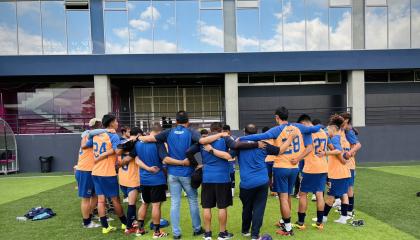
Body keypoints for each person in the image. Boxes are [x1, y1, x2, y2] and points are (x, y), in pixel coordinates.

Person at [240, 107, 322, 236]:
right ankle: (285, 222)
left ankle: (288, 229)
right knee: (287, 196)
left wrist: (242, 138)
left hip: (281, 167)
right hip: (294, 168)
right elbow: (314, 128)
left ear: (277, 117)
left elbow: (259, 136)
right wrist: (322, 125)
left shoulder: (276, 130)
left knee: (283, 198)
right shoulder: (298, 127)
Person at [138, 111, 204, 239]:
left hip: (172, 173)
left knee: (175, 203)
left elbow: (151, 138)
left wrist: (138, 138)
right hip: (187, 173)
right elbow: (202, 141)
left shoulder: (168, 132)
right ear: (187, 121)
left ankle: (176, 233)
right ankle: (197, 229)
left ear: (176, 121)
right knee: (193, 201)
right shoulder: (191, 131)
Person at [122, 125, 169, 238]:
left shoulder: (138, 143)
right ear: (159, 132)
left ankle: (140, 229)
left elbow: (135, 159)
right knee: (156, 205)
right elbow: (165, 159)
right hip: (157, 178)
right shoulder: (158, 143)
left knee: (144, 203)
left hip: (144, 180)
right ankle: (157, 232)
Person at [236, 124, 281, 240]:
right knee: (258, 208)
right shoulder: (263, 144)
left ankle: (245, 230)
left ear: (244, 132)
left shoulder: (239, 144)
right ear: (258, 133)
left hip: (247, 183)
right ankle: (254, 234)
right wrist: (290, 139)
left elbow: (228, 155)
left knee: (247, 207)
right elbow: (279, 150)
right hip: (261, 182)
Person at [84, 114, 128, 234]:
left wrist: (99, 156)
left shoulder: (97, 135)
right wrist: (127, 145)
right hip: (107, 172)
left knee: (101, 200)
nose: (117, 123)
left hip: (96, 171)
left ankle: (105, 227)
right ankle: (125, 223)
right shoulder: (113, 135)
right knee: (115, 200)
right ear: (111, 123)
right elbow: (117, 151)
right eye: (116, 121)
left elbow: (85, 145)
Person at [292, 114, 329, 230]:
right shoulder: (323, 132)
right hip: (323, 167)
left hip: (311, 168)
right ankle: (319, 223)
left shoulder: (308, 133)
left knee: (303, 194)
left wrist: (297, 158)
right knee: (319, 194)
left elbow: (307, 149)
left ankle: (301, 222)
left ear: (303, 123)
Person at [321, 114, 351, 224]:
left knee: (330, 195)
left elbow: (338, 152)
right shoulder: (341, 137)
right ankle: (343, 217)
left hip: (337, 173)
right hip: (343, 171)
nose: (327, 130)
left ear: (333, 128)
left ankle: (323, 217)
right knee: (343, 194)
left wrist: (325, 153)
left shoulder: (335, 138)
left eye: (328, 128)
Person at [75, 118, 103, 228]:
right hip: (85, 170)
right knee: (86, 197)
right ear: (98, 125)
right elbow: (84, 145)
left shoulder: (88, 134)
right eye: (101, 125)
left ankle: (90, 215)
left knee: (95, 195)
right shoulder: (89, 135)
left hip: (91, 170)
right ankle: (86, 222)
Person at [117, 127, 143, 235]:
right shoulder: (137, 144)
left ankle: (133, 221)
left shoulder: (124, 142)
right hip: (132, 178)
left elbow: (118, 152)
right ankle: (129, 227)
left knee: (132, 202)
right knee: (132, 204)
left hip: (122, 178)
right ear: (138, 134)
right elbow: (130, 159)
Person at [340, 112, 362, 217]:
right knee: (345, 187)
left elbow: (357, 145)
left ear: (347, 120)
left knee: (349, 188)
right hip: (346, 164)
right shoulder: (346, 130)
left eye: (342, 119)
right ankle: (346, 208)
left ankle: (350, 210)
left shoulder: (349, 132)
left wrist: (350, 154)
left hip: (349, 164)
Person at [222, 124, 236, 197]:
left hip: (231, 160)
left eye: (226, 131)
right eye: (223, 131)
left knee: (232, 175)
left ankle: (232, 192)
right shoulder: (221, 138)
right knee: (223, 175)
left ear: (229, 131)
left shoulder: (233, 138)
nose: (225, 133)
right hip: (223, 161)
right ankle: (224, 191)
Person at [262, 126, 277, 197]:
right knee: (268, 177)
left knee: (273, 176)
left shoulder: (274, 139)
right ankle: (270, 191)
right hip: (268, 160)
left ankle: (274, 191)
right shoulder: (263, 140)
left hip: (274, 160)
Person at [119, 126, 131, 202]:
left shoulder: (129, 139)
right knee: (123, 177)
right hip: (123, 162)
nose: (130, 133)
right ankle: (126, 195)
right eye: (129, 132)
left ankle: (129, 194)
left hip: (130, 161)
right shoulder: (120, 140)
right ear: (124, 132)